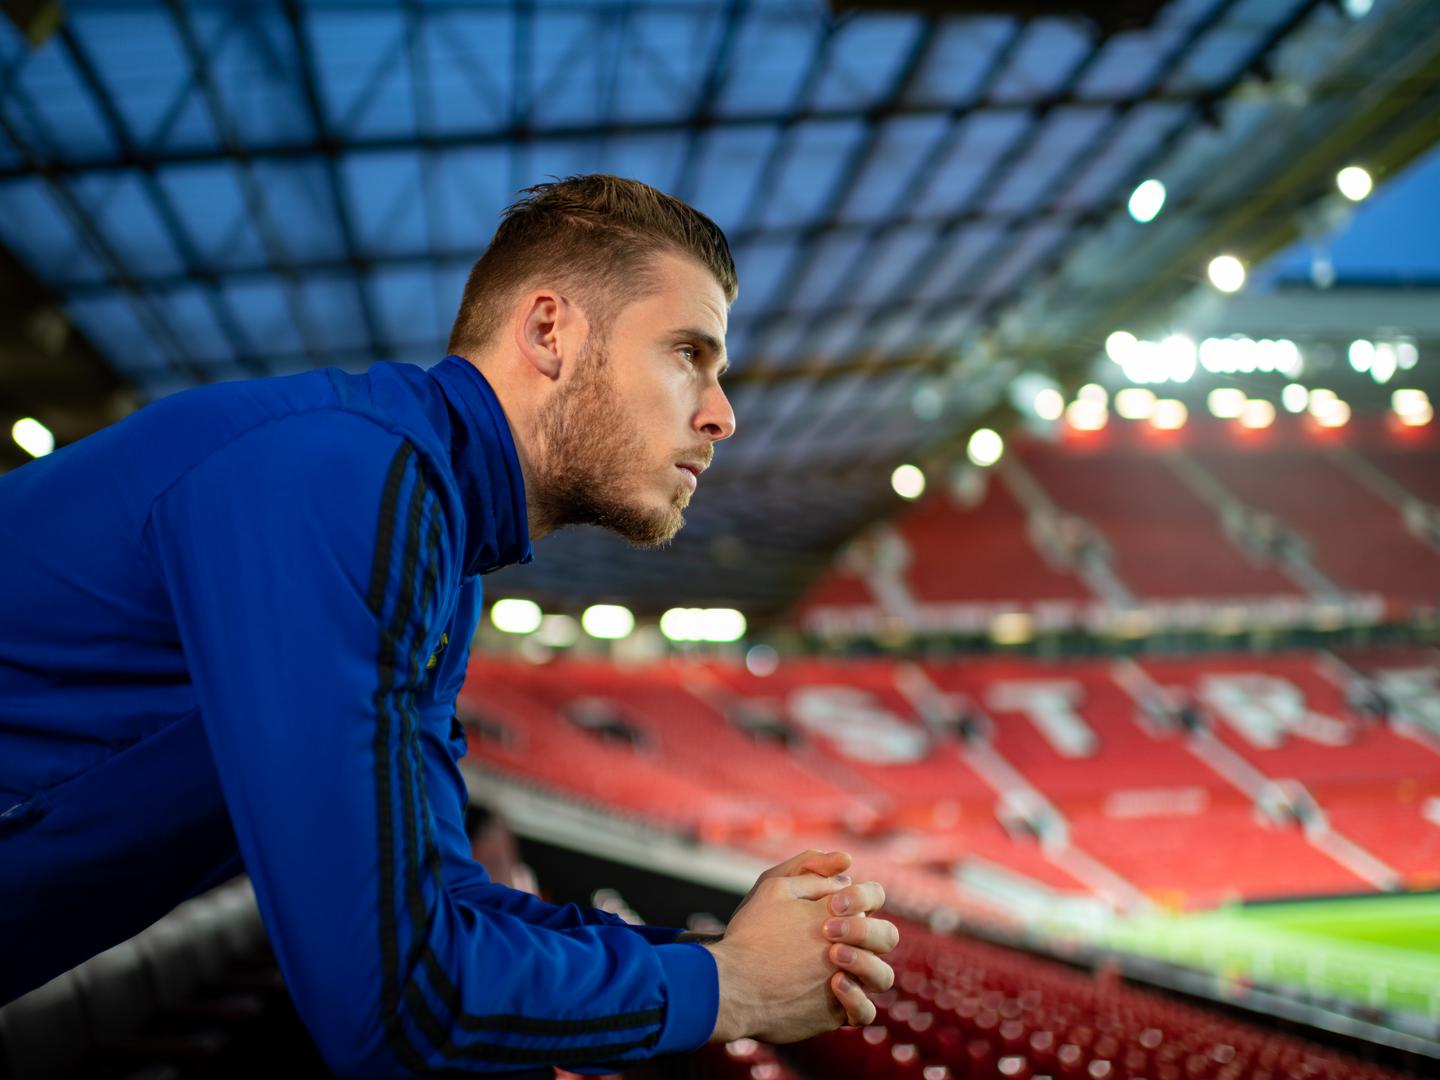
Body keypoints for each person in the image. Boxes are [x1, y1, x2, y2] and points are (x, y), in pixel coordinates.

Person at [0, 174, 899, 1076]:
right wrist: (729, 989)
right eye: (687, 353)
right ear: (550, 331)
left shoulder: (436, 546)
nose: (722, 413)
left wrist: (720, 958)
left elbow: (438, 902)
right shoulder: (345, 480)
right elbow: (394, 1003)